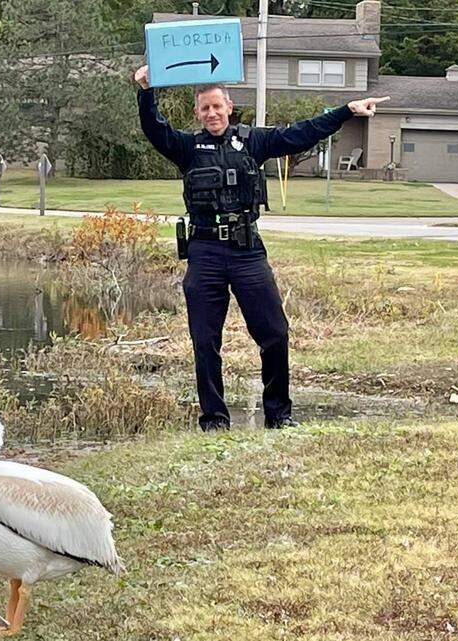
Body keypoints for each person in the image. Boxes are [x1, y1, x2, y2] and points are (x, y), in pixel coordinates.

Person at [134, 64, 389, 431]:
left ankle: (278, 415)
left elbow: (302, 133)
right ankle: (215, 420)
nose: (212, 114)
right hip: (205, 251)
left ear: (229, 107)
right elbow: (154, 129)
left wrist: (346, 111)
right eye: (204, 108)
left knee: (274, 334)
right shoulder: (187, 148)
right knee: (205, 341)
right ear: (197, 113)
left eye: (217, 107)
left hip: (247, 251)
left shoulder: (253, 142)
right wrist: (145, 91)